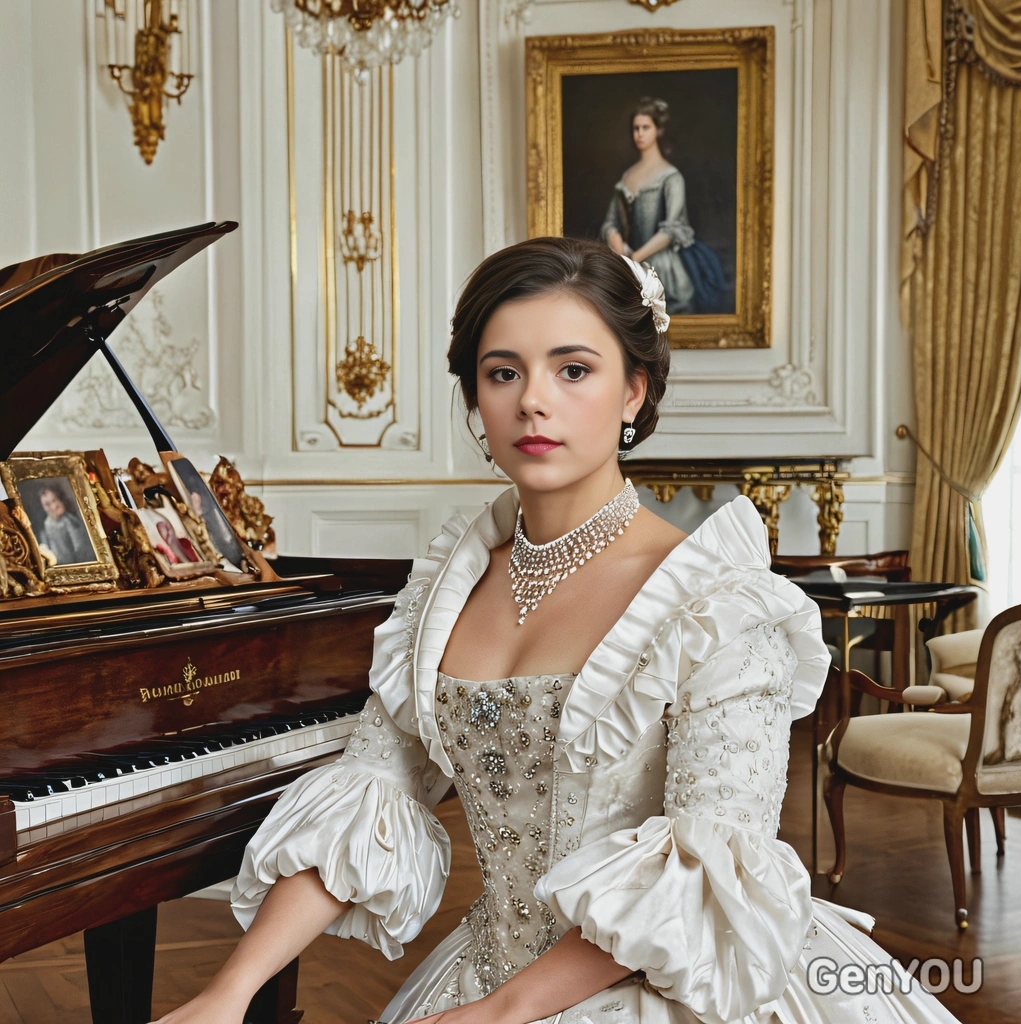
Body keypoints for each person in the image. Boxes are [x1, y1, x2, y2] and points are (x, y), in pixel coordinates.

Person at [152, 238, 961, 1024]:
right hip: (492, 971)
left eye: (574, 370)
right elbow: (371, 793)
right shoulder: (444, 592)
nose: (532, 401)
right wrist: (230, 992)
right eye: (502, 373)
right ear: (475, 397)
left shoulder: (716, 604)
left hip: (662, 981)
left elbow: (704, 876)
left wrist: (500, 1013)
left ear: (634, 392)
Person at [602, 97, 726, 315]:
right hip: (630, 265)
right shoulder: (627, 176)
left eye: (645, 128)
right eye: (636, 128)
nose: (639, 133)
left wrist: (635, 259)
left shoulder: (671, 177)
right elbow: (611, 222)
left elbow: (671, 230)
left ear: (658, 131)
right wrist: (618, 245)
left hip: (664, 269)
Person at [35, 483, 94, 565]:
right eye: (47, 504)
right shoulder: (46, 525)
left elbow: (80, 548)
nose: (53, 506)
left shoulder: (70, 520)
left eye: (54, 500)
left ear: (60, 498)